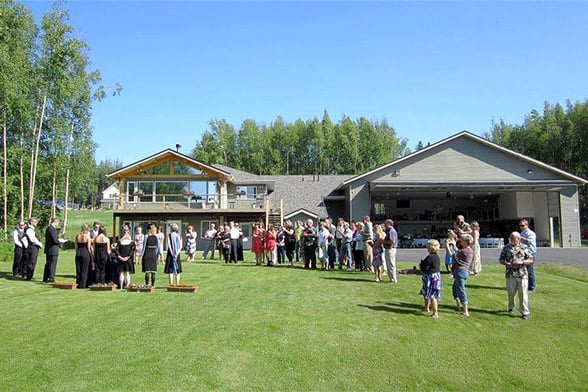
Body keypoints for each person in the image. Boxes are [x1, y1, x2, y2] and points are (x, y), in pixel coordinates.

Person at [499, 231, 533, 320]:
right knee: (511, 292)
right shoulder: (506, 248)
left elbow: (530, 259)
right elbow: (501, 259)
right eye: (511, 238)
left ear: (519, 239)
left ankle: (524, 312)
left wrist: (522, 262)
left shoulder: (524, 247)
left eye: (514, 238)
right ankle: (511, 306)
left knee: (523, 294)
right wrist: (507, 264)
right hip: (510, 274)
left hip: (522, 273)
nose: (512, 239)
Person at [419, 240, 442, 318]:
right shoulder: (437, 257)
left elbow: (425, 268)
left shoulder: (430, 257)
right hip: (435, 276)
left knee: (432, 295)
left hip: (431, 277)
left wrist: (421, 265)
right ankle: (426, 308)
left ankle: (435, 313)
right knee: (426, 293)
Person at [452, 234, 474, 317]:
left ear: (466, 242)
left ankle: (465, 310)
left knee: (461, 289)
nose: (460, 241)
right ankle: (459, 305)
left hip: (461, 271)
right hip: (464, 271)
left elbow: (453, 255)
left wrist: (448, 246)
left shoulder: (465, 251)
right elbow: (458, 252)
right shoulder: (468, 250)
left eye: (462, 240)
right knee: (455, 288)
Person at [43, 217, 64, 283]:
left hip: (48, 249)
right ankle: (51, 278)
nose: (58, 224)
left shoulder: (48, 228)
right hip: (53, 249)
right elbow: (54, 240)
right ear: (55, 221)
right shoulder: (52, 229)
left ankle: (45, 278)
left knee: (48, 263)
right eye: (58, 222)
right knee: (52, 264)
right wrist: (60, 241)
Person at [519, 219, 537, 291]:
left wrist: (520, 238)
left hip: (530, 253)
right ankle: (525, 285)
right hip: (523, 253)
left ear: (527, 225)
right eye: (520, 226)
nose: (521, 227)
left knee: (530, 270)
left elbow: (530, 241)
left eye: (523, 225)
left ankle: (532, 287)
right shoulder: (522, 233)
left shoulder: (530, 233)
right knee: (523, 270)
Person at [74, 223, 93, 289]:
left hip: (78, 253)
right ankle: (83, 285)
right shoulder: (87, 236)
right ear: (87, 228)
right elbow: (88, 247)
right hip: (85, 253)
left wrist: (77, 253)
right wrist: (91, 255)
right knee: (84, 270)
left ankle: (78, 283)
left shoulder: (77, 235)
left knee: (78, 270)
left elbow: (76, 247)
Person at [382, 219, 398, 283]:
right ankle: (391, 278)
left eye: (386, 224)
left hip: (390, 249)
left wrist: (383, 242)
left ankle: (393, 279)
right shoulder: (388, 231)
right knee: (388, 264)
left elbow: (392, 241)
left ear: (389, 224)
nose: (385, 225)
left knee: (391, 264)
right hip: (387, 248)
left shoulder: (392, 231)